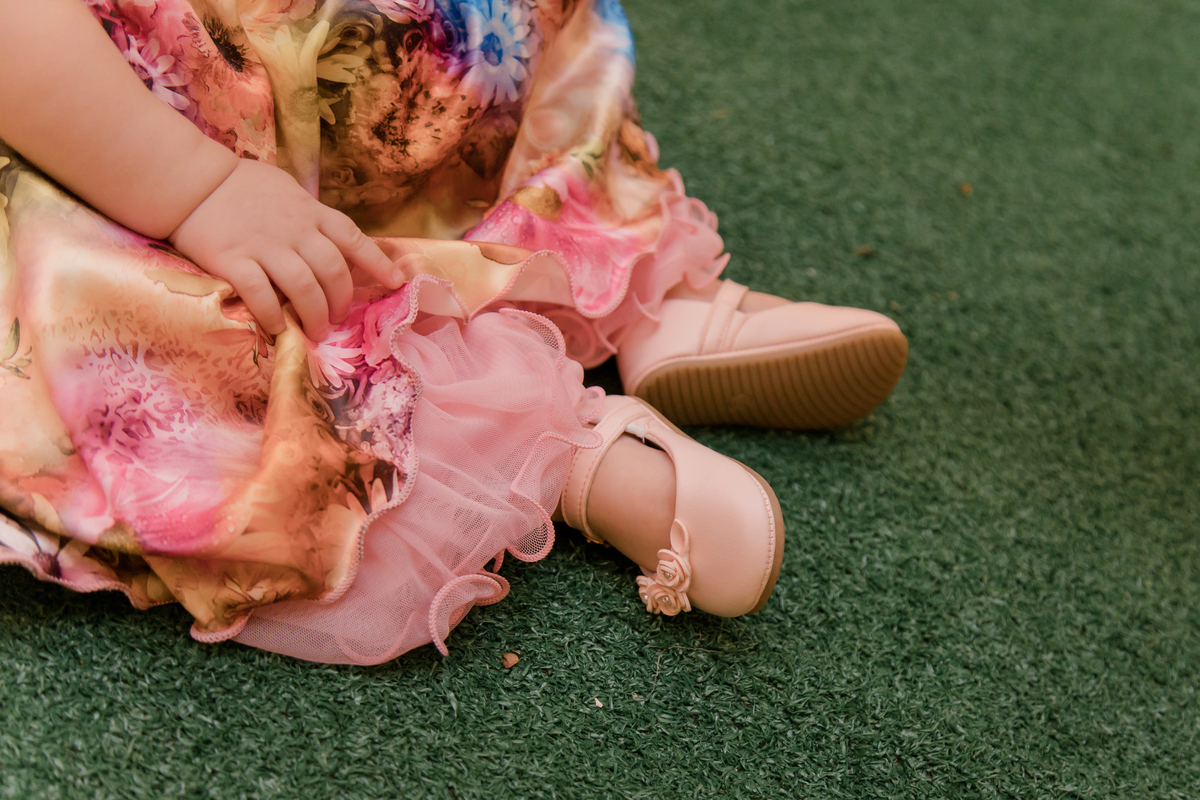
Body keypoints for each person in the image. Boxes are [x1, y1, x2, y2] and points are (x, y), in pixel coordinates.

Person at [0, 0, 907, 664]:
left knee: (71, 301)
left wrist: (197, 186)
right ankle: (576, 365)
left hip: (199, 100)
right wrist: (197, 188)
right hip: (192, 105)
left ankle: (598, 320)